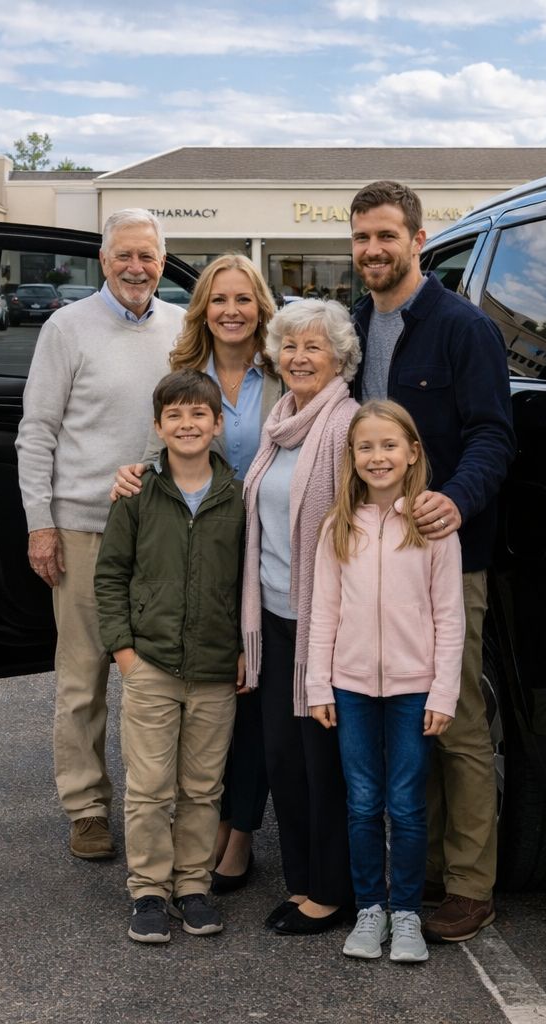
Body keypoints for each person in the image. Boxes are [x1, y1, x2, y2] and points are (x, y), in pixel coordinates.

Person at [347, 180, 515, 942]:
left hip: (448, 555)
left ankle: (470, 883)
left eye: (386, 235)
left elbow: (493, 434)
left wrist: (457, 498)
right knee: (407, 717)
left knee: (457, 714)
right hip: (369, 557)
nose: (373, 251)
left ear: (418, 239)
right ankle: (429, 873)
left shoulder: (461, 328)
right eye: (361, 239)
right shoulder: (355, 327)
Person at [16, 208, 184, 860]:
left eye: (147, 256)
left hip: (164, 533)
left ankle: (157, 804)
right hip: (85, 528)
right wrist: (40, 524)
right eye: (124, 257)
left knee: (161, 680)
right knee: (83, 679)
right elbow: (37, 432)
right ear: (104, 261)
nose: (136, 268)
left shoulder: (181, 328)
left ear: (162, 262)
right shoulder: (67, 328)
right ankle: (86, 808)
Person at [110, 253, 282, 890]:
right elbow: (164, 447)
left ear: (261, 307)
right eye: (218, 299)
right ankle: (189, 842)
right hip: (199, 557)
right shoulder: (185, 376)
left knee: (256, 704)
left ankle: (236, 838)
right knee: (208, 707)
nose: (231, 311)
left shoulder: (282, 376)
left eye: (243, 299)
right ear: (202, 310)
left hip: (271, 556)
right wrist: (132, 472)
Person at [306, 400, 463, 963]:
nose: (378, 457)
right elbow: (323, 612)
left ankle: (407, 915)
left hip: (412, 688)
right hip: (348, 686)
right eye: (366, 447)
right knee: (364, 800)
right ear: (351, 457)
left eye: (389, 445)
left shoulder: (431, 528)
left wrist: (443, 691)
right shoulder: (337, 525)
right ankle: (370, 909)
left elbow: (450, 617)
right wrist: (317, 686)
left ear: (412, 452)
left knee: (406, 802)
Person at [95, 369, 245, 943]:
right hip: (151, 664)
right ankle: (149, 892)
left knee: (203, 787)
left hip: (213, 670)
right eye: (175, 415)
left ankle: (193, 886)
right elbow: (110, 576)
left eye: (198, 414)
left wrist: (240, 649)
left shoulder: (237, 495)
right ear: (158, 426)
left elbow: (247, 581)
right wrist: (125, 653)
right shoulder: (138, 494)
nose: (187, 424)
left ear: (217, 424)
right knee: (151, 785)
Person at [241, 298, 360, 935]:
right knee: (284, 760)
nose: (299, 357)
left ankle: (333, 891)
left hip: (325, 628)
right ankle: (302, 881)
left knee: (324, 764)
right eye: (289, 346)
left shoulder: (347, 426)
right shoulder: (280, 419)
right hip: (275, 616)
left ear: (339, 357)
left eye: (314, 347)